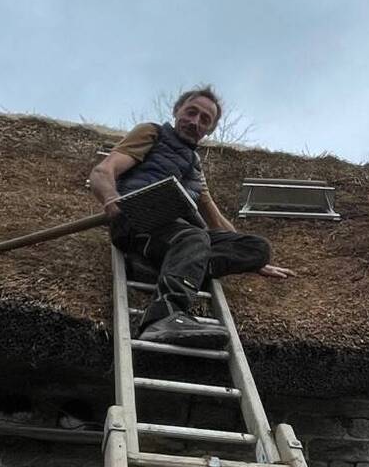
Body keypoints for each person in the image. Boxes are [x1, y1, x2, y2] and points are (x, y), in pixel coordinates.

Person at [89, 86, 293, 346]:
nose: (195, 122)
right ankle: (163, 316)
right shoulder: (152, 134)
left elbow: (215, 220)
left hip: (177, 233)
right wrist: (111, 200)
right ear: (177, 111)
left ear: (210, 129)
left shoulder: (195, 170)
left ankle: (158, 266)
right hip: (138, 221)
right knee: (194, 237)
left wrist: (253, 260)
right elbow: (102, 171)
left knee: (256, 247)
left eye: (205, 119)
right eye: (191, 112)